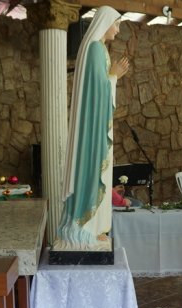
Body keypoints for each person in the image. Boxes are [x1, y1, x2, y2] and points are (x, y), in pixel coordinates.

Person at [55, 6, 129, 250]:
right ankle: (83, 228)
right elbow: (98, 91)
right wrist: (114, 76)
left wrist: (112, 76)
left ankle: (91, 228)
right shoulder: (96, 49)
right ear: (105, 22)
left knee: (94, 173)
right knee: (91, 172)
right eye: (116, 24)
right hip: (93, 129)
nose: (117, 30)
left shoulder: (98, 49)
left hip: (95, 123)